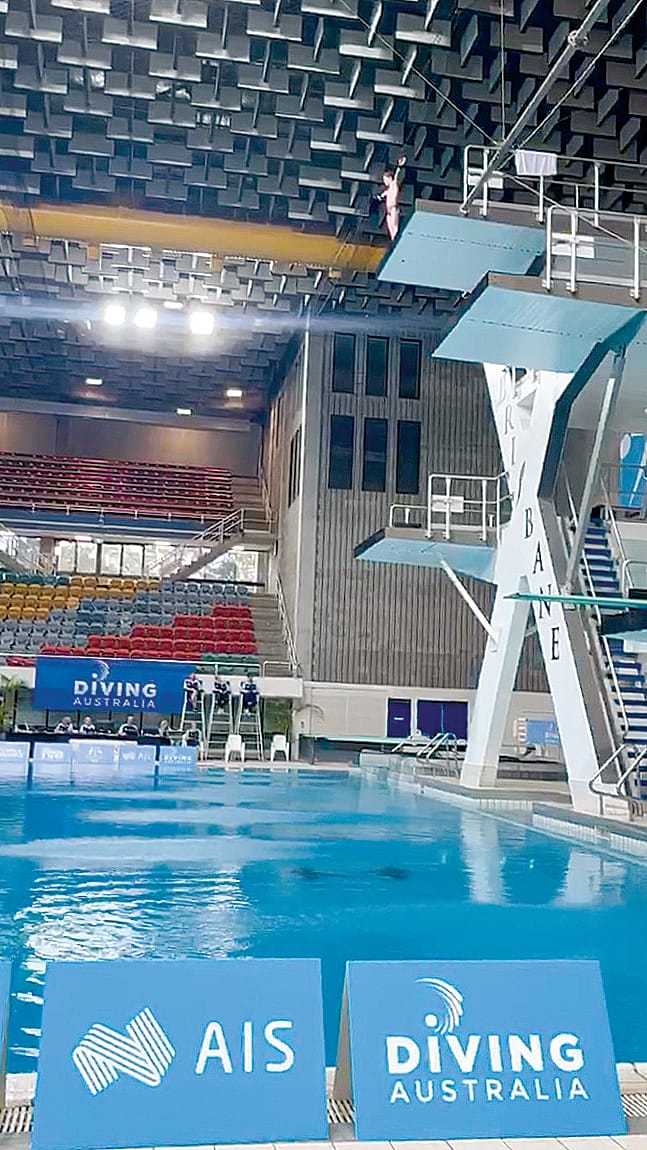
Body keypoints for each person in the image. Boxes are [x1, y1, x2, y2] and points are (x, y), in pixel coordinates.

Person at [377, 156, 406, 241]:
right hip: (388, 211)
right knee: (391, 231)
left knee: (395, 228)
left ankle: (396, 241)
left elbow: (397, 176)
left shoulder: (394, 184)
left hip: (393, 209)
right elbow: (382, 196)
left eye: (386, 179)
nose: (385, 181)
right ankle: (393, 241)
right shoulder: (387, 190)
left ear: (390, 178)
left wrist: (399, 166)